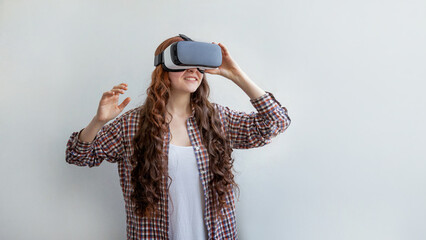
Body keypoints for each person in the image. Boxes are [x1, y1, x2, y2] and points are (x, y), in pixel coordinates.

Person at [65, 35, 291, 239]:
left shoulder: (218, 119)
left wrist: (236, 75)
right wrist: (99, 121)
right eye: (183, 63)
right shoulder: (132, 124)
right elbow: (78, 156)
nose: (193, 70)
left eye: (198, 66)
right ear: (164, 68)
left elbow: (276, 122)